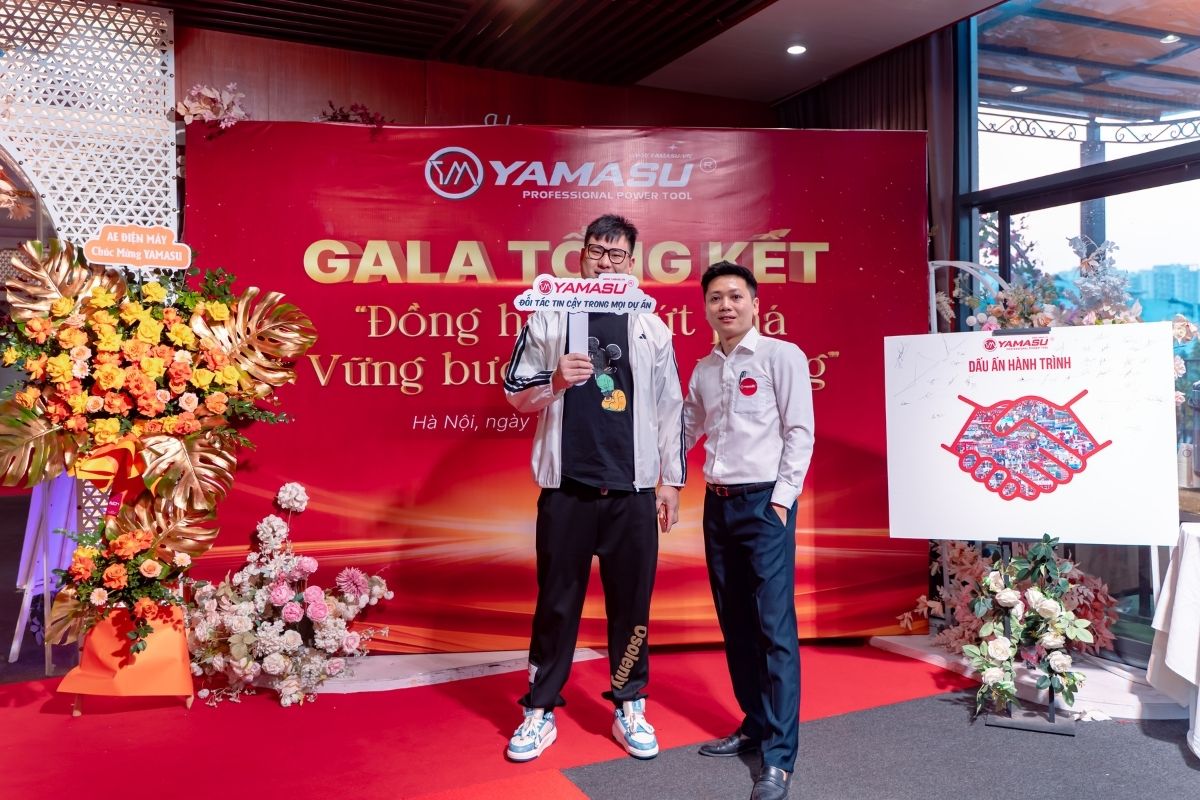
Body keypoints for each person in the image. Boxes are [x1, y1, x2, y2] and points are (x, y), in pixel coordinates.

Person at [502, 213, 685, 762]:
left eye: (616, 253)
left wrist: (671, 481)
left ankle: (630, 703)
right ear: (580, 256)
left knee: (632, 607)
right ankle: (539, 707)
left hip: (631, 494)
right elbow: (514, 388)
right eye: (596, 251)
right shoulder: (549, 314)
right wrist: (555, 379)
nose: (605, 262)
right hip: (568, 490)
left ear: (631, 261)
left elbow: (671, 407)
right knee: (557, 604)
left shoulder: (651, 326)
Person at [683, 261, 815, 800]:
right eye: (716, 298)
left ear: (756, 304)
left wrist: (781, 501)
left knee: (774, 629)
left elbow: (800, 431)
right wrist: (659, 475)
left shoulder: (782, 356)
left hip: (765, 506)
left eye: (736, 296)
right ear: (706, 308)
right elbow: (687, 428)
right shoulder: (703, 369)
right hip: (717, 506)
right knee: (735, 624)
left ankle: (779, 758)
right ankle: (755, 724)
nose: (726, 306)